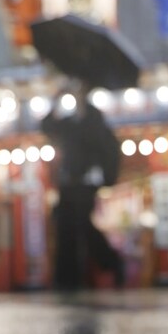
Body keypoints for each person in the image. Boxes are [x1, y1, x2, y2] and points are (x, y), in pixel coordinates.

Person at [41, 77, 125, 290]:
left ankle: (109, 264)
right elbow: (46, 126)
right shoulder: (70, 123)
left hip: (87, 182)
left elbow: (107, 149)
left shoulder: (94, 121)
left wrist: (107, 179)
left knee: (82, 226)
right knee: (65, 228)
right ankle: (66, 278)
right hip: (68, 183)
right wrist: (57, 98)